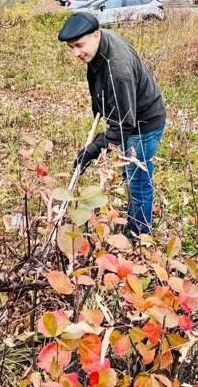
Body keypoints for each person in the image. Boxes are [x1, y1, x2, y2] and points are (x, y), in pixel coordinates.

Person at [58, 12, 167, 235]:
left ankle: (140, 235)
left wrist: (93, 149)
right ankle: (135, 221)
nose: (76, 53)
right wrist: (99, 106)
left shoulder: (117, 69)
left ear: (96, 35)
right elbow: (98, 78)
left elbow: (123, 126)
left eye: (79, 45)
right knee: (130, 174)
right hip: (132, 117)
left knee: (139, 183)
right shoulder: (101, 42)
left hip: (143, 125)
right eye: (71, 47)